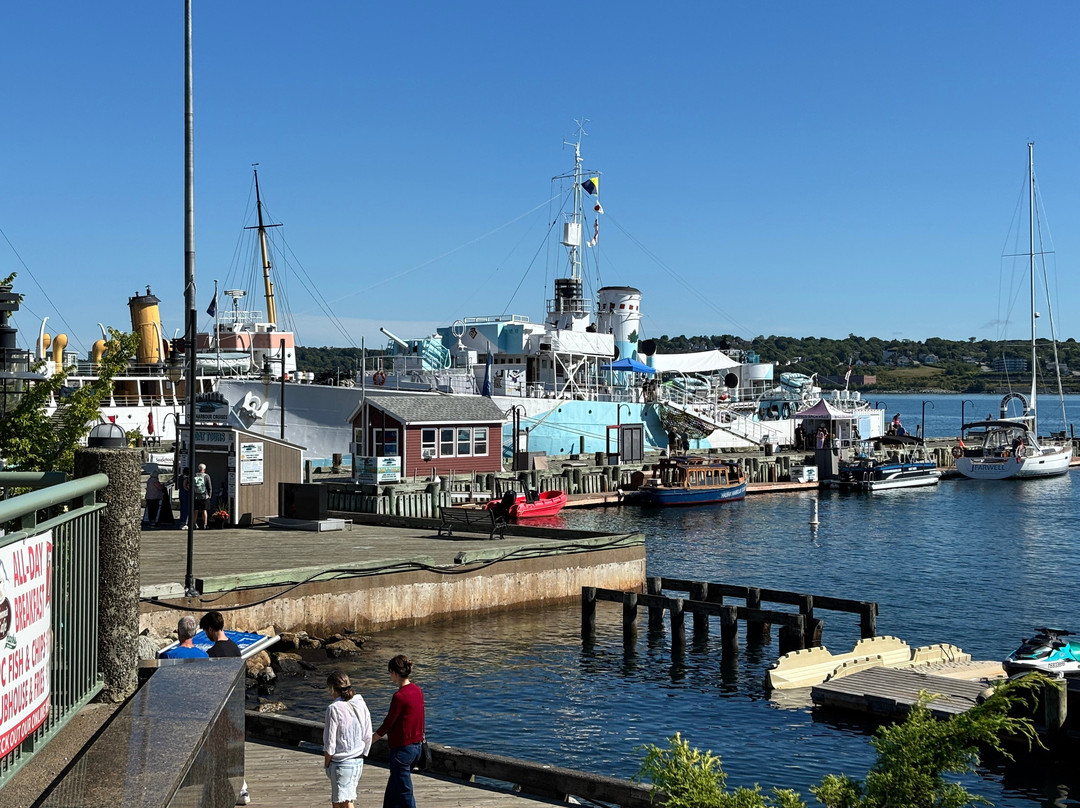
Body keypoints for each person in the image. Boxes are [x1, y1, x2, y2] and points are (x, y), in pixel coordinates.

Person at [373, 654, 425, 808]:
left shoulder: (399, 696)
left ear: (395, 673)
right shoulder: (417, 690)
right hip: (417, 748)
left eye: (390, 673)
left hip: (402, 750)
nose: (390, 676)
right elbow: (421, 718)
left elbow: (388, 723)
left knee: (404, 792)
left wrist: (371, 740)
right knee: (393, 789)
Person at [324, 671, 373, 808]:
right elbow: (368, 733)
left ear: (333, 688)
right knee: (342, 800)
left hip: (341, 762)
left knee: (343, 802)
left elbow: (330, 743)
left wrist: (326, 763)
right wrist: (363, 752)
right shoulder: (360, 702)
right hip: (358, 761)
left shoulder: (333, 708)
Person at [191, 463, 212, 529]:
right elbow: (209, 487)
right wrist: (209, 495)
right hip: (204, 496)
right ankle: (205, 524)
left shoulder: (194, 475)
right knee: (204, 510)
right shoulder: (206, 476)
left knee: (196, 510)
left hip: (195, 496)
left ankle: (194, 524)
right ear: (204, 469)